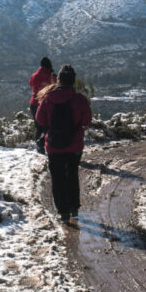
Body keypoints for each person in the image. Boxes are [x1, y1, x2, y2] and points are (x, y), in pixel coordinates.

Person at [34, 64, 92, 224]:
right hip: (74, 145)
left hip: (54, 145)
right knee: (72, 175)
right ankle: (74, 208)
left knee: (57, 178)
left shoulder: (48, 98)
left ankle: (63, 212)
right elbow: (87, 120)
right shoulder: (79, 99)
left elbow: (40, 120)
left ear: (58, 79)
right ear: (73, 81)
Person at [28, 57, 55, 153]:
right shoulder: (52, 76)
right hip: (47, 104)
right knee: (49, 127)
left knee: (38, 126)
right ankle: (42, 143)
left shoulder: (35, 75)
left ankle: (37, 145)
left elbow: (31, 84)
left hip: (34, 103)